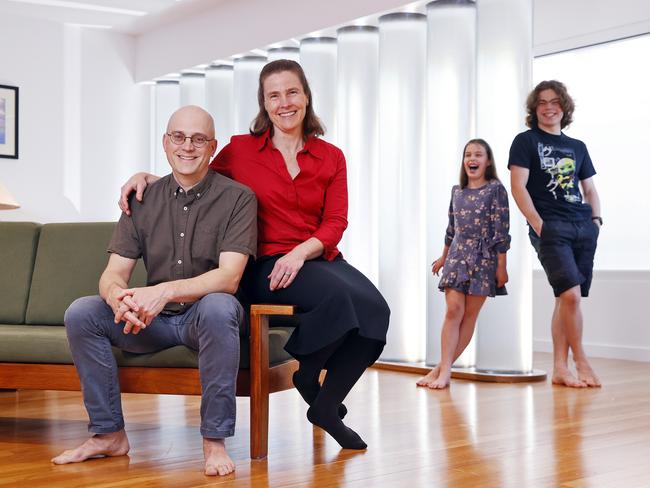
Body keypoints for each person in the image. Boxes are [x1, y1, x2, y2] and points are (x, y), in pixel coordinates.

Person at [119, 60, 390, 450]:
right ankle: (307, 370)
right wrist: (147, 177)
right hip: (262, 265)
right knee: (339, 299)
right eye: (273, 95)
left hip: (313, 257)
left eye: (291, 92)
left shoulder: (331, 156)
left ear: (306, 96)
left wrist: (300, 253)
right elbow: (192, 169)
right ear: (263, 104)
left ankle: (325, 404)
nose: (284, 103)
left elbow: (335, 220)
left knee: (377, 311)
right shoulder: (241, 151)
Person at [52, 106, 257, 476]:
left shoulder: (238, 198)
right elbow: (113, 273)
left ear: (212, 147)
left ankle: (214, 442)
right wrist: (118, 297)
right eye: (178, 137)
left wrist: (163, 291)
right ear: (165, 142)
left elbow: (228, 278)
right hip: (152, 321)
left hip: (203, 318)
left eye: (198, 139)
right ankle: (108, 434)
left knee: (220, 307)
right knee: (83, 312)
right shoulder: (142, 197)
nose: (187, 146)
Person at [509, 80, 602, 388]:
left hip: (582, 226)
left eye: (555, 102)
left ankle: (560, 368)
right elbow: (519, 187)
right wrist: (538, 224)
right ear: (534, 110)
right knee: (570, 295)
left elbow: (589, 189)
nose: (549, 107)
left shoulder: (578, 147)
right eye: (542, 103)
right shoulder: (525, 141)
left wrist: (596, 220)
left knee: (566, 299)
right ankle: (581, 360)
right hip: (551, 226)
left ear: (564, 107)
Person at [417, 139, 510, 389]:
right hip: (457, 255)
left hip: (485, 258)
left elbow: (501, 231)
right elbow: (451, 228)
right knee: (452, 312)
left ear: (488, 161)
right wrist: (443, 257)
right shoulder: (456, 191)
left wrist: (502, 266)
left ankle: (441, 371)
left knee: (469, 316)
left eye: (479, 154)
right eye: (468, 154)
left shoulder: (496, 190)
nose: (473, 158)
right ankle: (443, 370)